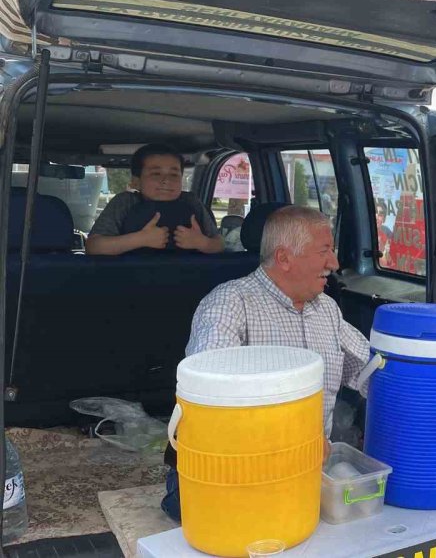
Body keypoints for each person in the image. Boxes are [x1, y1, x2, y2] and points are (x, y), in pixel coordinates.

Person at [160, 205, 370, 522]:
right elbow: (211, 398)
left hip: (306, 469)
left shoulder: (326, 309)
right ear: (284, 258)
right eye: (324, 251)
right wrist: (297, 440)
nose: (334, 263)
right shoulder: (229, 304)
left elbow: (371, 370)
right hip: (234, 473)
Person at [86, 144, 224, 255]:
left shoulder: (191, 201)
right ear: (136, 182)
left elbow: (219, 245)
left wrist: (201, 243)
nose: (166, 180)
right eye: (156, 174)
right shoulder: (125, 202)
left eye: (174, 175)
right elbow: (93, 247)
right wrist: (140, 239)